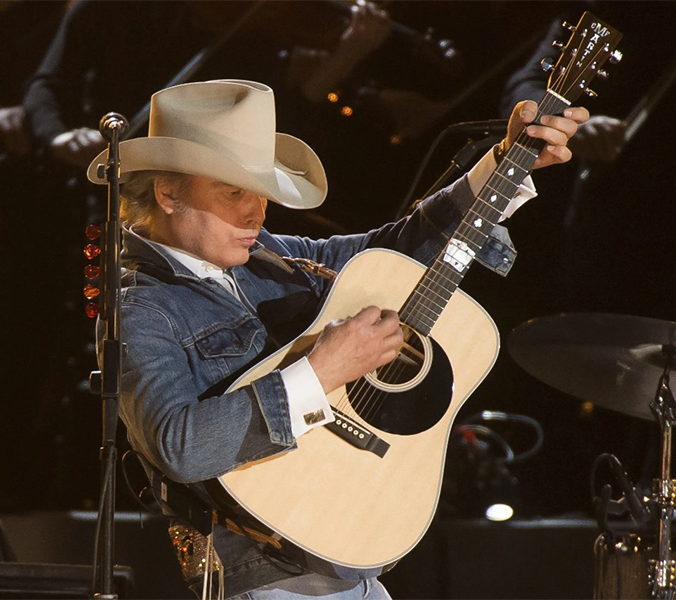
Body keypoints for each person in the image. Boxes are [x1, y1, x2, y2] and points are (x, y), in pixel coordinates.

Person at [88, 79, 586, 599]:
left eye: (260, 190)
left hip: (350, 562)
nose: (255, 211)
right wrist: (322, 370)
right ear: (168, 194)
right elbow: (179, 445)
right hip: (263, 576)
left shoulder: (272, 255)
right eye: (233, 191)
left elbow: (393, 253)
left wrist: (504, 163)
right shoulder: (140, 306)